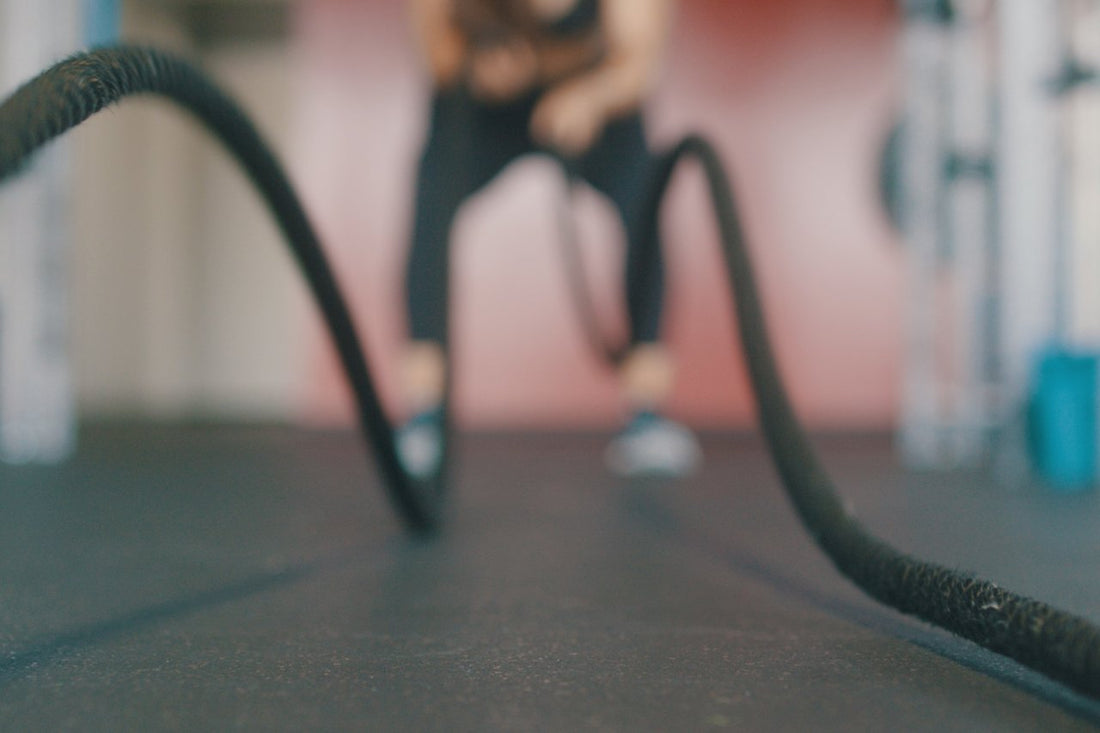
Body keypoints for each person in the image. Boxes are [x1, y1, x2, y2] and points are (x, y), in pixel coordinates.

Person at [398, 0, 700, 477]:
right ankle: (424, 412)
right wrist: (479, 69)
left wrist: (590, 99)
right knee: (431, 196)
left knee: (645, 204)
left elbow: (639, 67)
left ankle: (646, 414)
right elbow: (438, 53)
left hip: (595, 98)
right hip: (484, 105)